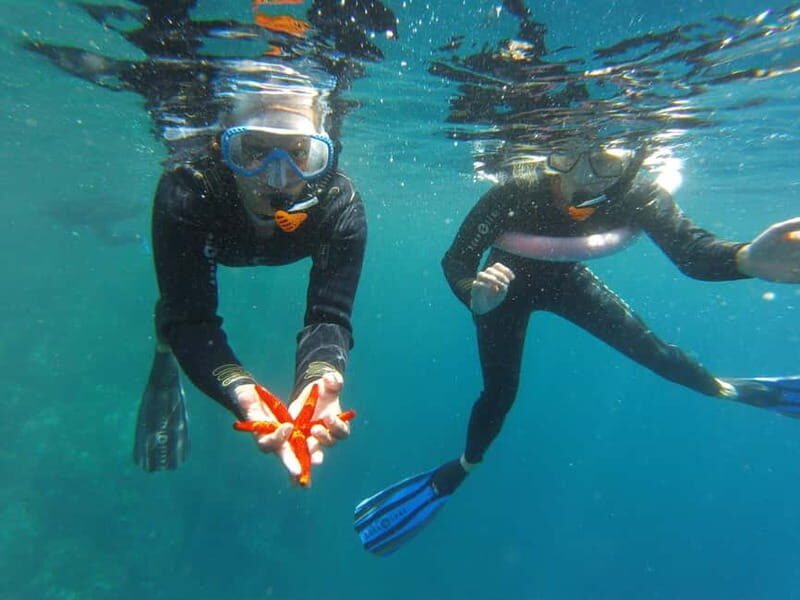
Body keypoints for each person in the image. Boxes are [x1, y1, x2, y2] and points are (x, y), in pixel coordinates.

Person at [354, 143, 800, 555]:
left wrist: (744, 259)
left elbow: (690, 251)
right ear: (553, 152)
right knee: (501, 391)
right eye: (569, 154)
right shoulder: (517, 192)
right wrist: (475, 291)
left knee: (652, 351)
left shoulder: (639, 195)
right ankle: (462, 468)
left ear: (630, 157)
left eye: (604, 158)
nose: (581, 174)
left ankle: (728, 389)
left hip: (566, 278)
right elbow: (457, 259)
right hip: (501, 288)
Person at [133, 87, 366, 487]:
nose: (277, 178)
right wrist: (240, 391)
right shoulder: (190, 190)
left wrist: (320, 375)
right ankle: (162, 349)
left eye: (297, 152)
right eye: (253, 151)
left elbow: (330, 317)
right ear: (222, 146)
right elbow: (191, 319)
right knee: (174, 310)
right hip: (212, 243)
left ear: (320, 153)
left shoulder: (338, 205)